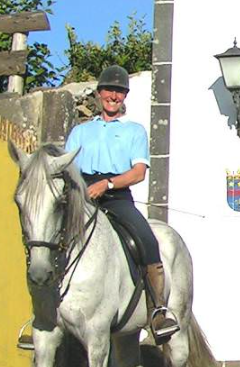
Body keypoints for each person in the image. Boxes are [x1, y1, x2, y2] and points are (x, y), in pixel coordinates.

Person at [67, 65, 179, 342]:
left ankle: (158, 311)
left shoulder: (134, 131)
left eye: (119, 92)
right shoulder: (81, 132)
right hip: (82, 196)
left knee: (147, 241)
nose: (113, 96)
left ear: (124, 96)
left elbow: (138, 172)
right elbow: (67, 166)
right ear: (99, 93)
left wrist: (106, 184)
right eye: (109, 91)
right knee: (50, 237)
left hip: (116, 197)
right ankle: (43, 314)